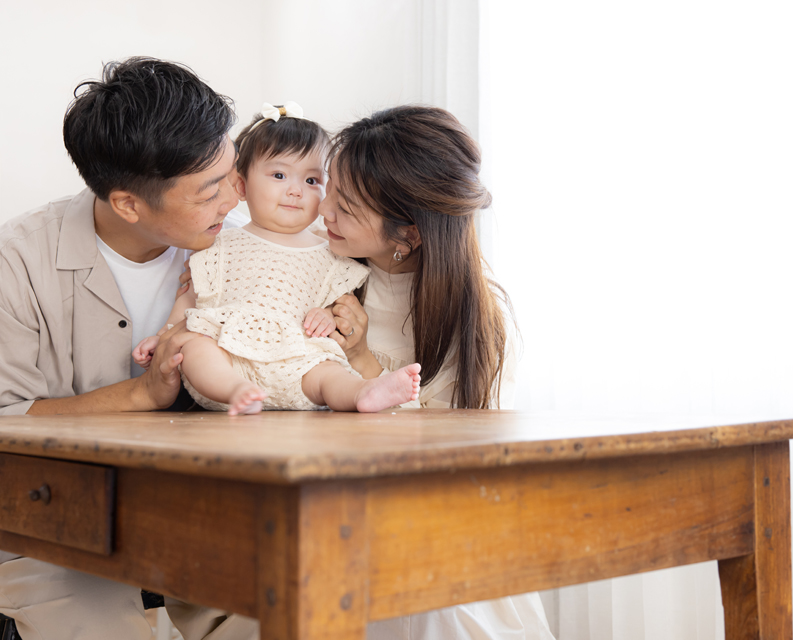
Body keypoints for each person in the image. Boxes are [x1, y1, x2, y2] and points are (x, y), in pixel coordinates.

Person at [0, 57, 257, 639]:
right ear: (128, 204)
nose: (234, 200)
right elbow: (6, 419)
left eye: (232, 173)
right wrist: (141, 395)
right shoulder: (17, 261)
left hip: (203, 510)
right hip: (51, 520)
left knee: (277, 611)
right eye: (211, 190)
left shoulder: (240, 252)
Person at [321, 106, 553, 639]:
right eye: (327, 187)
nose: (323, 210)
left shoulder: (477, 318)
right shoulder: (321, 275)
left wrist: (362, 361)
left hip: (429, 516)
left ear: (408, 234)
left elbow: (453, 454)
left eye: (345, 206)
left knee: (436, 609)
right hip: (323, 507)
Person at [133, 103, 421, 416]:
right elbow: (190, 299)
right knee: (195, 344)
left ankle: (362, 392)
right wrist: (163, 336)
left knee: (328, 369)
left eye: (311, 181)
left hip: (298, 361)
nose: (296, 191)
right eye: (280, 175)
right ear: (241, 185)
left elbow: (339, 306)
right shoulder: (219, 243)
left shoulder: (331, 253)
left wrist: (326, 316)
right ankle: (238, 390)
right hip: (228, 354)